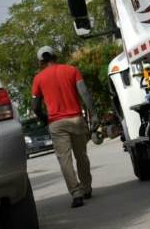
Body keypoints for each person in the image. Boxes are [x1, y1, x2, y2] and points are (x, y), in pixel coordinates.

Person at [31, 46, 98, 208]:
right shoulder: (72, 70)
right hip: (76, 119)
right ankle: (86, 188)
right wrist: (94, 114)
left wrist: (45, 119)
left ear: (41, 62)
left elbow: (35, 106)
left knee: (65, 160)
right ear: (56, 56)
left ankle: (76, 194)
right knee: (81, 156)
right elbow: (85, 93)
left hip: (56, 123)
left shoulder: (38, 79)